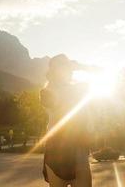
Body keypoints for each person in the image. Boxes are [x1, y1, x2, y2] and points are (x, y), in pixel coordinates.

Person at [40, 54, 93, 187]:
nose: (69, 69)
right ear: (54, 71)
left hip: (79, 148)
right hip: (56, 151)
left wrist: (80, 66)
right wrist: (75, 66)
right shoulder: (47, 92)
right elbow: (55, 102)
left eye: (69, 66)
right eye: (64, 66)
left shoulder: (77, 89)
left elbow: (98, 75)